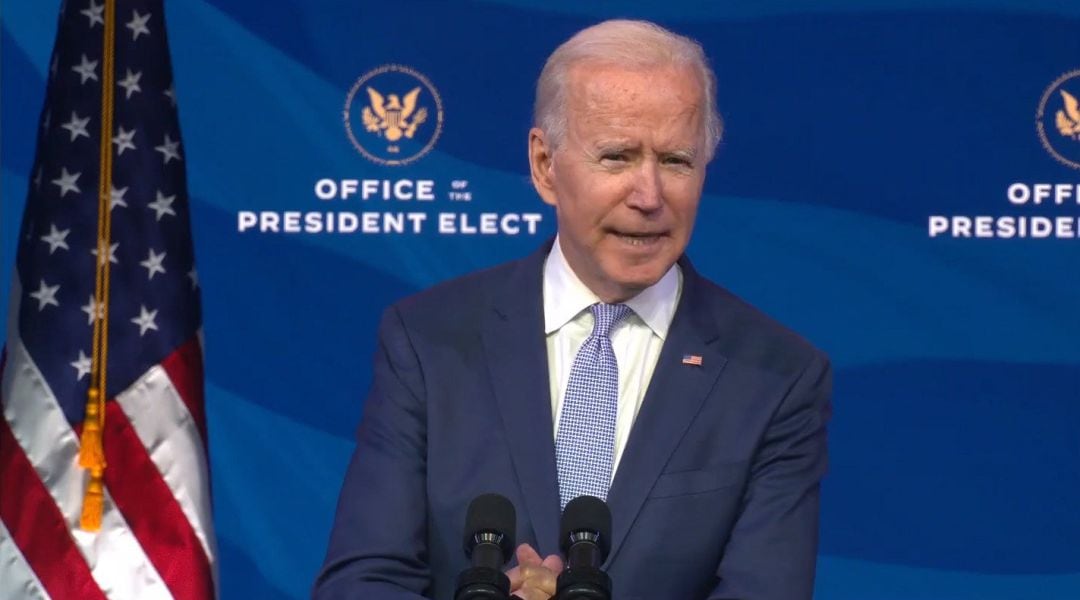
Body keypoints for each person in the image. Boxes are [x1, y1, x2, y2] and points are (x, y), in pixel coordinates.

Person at [313, 19, 831, 600]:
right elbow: (362, 582)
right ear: (544, 166)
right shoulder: (429, 341)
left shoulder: (775, 376)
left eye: (678, 162)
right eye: (617, 157)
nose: (649, 196)